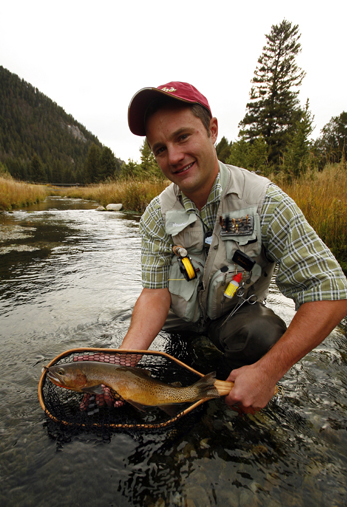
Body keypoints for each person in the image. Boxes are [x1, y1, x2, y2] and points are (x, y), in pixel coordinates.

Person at [120, 81, 347, 410]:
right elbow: (155, 294)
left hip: (233, 316)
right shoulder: (156, 214)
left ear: (211, 130)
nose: (174, 157)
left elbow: (330, 290)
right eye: (160, 148)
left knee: (263, 335)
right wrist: (123, 366)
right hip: (180, 322)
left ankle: (244, 386)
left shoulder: (265, 202)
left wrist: (268, 372)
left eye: (183, 137)